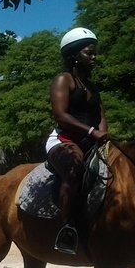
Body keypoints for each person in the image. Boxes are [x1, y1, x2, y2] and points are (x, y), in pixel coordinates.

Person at [46, 27, 108, 255]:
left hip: (91, 140)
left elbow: (101, 115)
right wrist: (93, 132)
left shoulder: (92, 87)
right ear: (74, 55)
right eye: (89, 53)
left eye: (95, 53)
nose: (94, 57)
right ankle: (66, 226)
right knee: (74, 167)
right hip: (63, 140)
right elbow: (61, 115)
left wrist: (103, 136)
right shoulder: (63, 80)